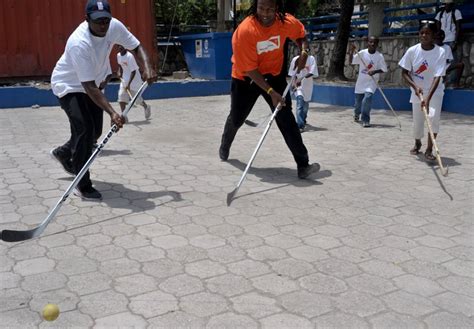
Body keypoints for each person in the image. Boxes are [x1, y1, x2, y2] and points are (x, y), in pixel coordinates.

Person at [50, 0, 157, 200]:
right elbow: (87, 86)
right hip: (69, 85)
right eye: (98, 21)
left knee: (95, 132)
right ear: (87, 19)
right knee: (84, 129)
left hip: (94, 83)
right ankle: (82, 184)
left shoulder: (114, 26)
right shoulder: (79, 43)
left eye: (106, 20)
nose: (103, 25)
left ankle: (64, 153)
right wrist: (113, 112)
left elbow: (137, 46)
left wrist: (147, 66)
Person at [218, 0, 320, 179]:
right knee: (236, 118)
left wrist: (304, 51)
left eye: (270, 9)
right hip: (246, 78)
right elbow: (250, 69)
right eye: (261, 8)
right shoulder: (245, 31)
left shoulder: (285, 22)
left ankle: (303, 164)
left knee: (286, 118)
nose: (265, 13)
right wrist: (271, 92)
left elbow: (301, 35)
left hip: (274, 75)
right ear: (255, 7)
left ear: (277, 9)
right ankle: (225, 145)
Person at [399, 21, 446, 161]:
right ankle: (417, 142)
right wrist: (415, 86)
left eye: (428, 33)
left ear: (434, 36)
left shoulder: (440, 52)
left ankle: (429, 149)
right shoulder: (412, 51)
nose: (424, 35)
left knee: (432, 118)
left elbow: (438, 77)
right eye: (422, 33)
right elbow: (404, 73)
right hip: (417, 92)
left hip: (435, 91)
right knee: (418, 121)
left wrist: (428, 97)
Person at [348, 36, 388, 127]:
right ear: (368, 43)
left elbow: (384, 69)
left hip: (371, 82)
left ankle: (365, 119)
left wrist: (375, 71)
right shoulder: (362, 53)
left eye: (374, 43)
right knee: (358, 103)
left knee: (367, 99)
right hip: (361, 82)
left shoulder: (379, 56)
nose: (372, 44)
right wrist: (351, 51)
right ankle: (356, 113)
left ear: (377, 44)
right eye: (370, 42)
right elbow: (351, 61)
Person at [117, 45, 151, 120]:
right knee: (121, 96)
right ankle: (124, 116)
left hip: (134, 80)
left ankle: (146, 106)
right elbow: (120, 66)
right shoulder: (118, 55)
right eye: (118, 46)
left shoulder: (130, 56)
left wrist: (128, 84)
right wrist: (119, 72)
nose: (120, 48)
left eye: (121, 46)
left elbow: (133, 71)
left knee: (137, 99)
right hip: (124, 80)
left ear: (125, 47)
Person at [435, 0, 463, 88]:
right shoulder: (440, 14)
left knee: (453, 62)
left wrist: (455, 41)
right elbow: (437, 26)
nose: (447, 6)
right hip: (442, 41)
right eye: (446, 4)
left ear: (452, 5)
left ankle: (454, 83)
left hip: (451, 40)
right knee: (442, 62)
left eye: (449, 4)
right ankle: (442, 82)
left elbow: (458, 27)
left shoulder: (456, 12)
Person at [288, 52, 317, 132]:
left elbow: (311, 72)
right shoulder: (295, 59)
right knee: (299, 105)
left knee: (305, 107)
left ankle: (303, 120)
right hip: (299, 87)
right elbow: (292, 74)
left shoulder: (311, 59)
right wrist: (294, 83)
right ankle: (300, 125)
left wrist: (301, 78)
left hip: (308, 86)